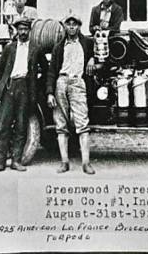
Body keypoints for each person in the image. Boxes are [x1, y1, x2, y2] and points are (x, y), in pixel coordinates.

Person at [0, 18, 48, 173]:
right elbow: (0, 70)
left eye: (25, 29)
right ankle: (0, 163)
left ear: (30, 31)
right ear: (16, 31)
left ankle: (16, 161)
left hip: (25, 89)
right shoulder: (9, 48)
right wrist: (2, 86)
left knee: (21, 126)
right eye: (20, 29)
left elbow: (45, 69)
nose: (22, 32)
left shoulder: (36, 48)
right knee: (4, 126)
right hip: (9, 87)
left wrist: (35, 85)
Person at [46, 13, 97, 175]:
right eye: (69, 24)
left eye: (75, 24)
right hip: (61, 83)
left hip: (78, 83)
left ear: (79, 26)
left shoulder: (87, 43)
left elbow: (102, 52)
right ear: (64, 27)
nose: (72, 27)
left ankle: (86, 163)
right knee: (61, 125)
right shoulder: (58, 47)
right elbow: (51, 71)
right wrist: (49, 93)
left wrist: (93, 59)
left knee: (82, 124)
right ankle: (64, 162)